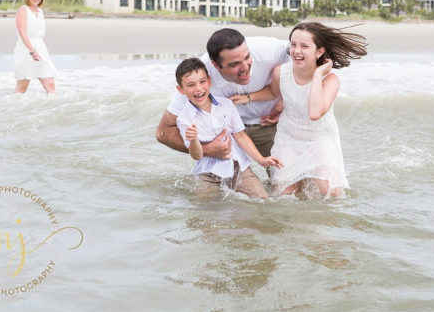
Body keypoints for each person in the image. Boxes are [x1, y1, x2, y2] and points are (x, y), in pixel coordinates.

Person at [231, 22, 367, 198]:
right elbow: (273, 92)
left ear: (319, 51)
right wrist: (248, 98)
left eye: (304, 46)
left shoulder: (330, 80)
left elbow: (315, 112)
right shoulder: (281, 72)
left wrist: (318, 75)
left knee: (331, 194)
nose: (296, 51)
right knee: (284, 196)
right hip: (289, 140)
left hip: (320, 141)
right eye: (293, 44)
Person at [156, 29, 288, 161]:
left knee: (286, 177)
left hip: (266, 125)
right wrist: (207, 149)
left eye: (247, 57)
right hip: (223, 135)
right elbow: (163, 132)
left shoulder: (269, 50)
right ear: (215, 65)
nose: (245, 68)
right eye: (234, 64)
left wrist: (285, 98)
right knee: (236, 179)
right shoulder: (198, 76)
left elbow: (307, 53)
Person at [174, 57, 283, 198]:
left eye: (202, 82)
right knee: (203, 208)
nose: (199, 88)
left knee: (262, 199)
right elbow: (197, 155)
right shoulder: (184, 119)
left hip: (238, 167)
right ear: (181, 89)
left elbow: (240, 136)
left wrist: (261, 159)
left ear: (209, 81)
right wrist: (193, 140)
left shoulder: (226, 105)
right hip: (208, 173)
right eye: (191, 85)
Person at [14, 0, 57, 95]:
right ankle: (12, 109)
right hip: (26, 51)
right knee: (22, 88)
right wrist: (32, 51)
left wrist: (44, 52)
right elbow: (22, 31)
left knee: (50, 83)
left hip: (41, 51)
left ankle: (53, 110)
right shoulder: (23, 10)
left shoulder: (40, 12)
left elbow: (40, 35)